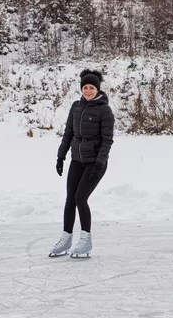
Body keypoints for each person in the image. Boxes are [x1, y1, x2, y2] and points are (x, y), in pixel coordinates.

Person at [49, 69, 114, 258]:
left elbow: (107, 140)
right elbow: (68, 133)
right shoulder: (76, 107)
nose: (87, 90)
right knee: (70, 199)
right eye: (85, 87)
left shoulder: (104, 110)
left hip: (95, 162)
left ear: (97, 89)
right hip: (77, 160)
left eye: (91, 87)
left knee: (80, 198)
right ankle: (66, 238)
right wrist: (61, 157)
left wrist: (99, 164)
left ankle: (85, 240)